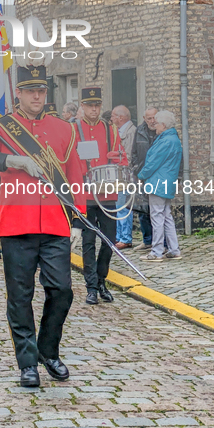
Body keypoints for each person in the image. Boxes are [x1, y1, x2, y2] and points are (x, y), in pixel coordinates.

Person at [0, 65, 86, 388]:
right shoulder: (3, 129)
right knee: (20, 297)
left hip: (56, 224)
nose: (37, 96)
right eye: (30, 90)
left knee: (62, 290)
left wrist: (76, 221)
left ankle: (48, 350)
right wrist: (11, 161)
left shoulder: (64, 130)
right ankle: (27, 362)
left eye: (42, 90)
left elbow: (75, 177)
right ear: (18, 93)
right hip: (16, 225)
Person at [75, 87, 127, 306]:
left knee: (108, 241)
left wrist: (117, 159)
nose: (94, 109)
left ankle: (102, 279)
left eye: (97, 105)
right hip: (86, 194)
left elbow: (121, 157)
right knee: (88, 242)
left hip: (107, 192)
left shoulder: (110, 129)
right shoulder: (74, 129)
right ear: (83, 106)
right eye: (90, 105)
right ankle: (91, 286)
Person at [138, 110, 183, 261]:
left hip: (158, 183)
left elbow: (152, 163)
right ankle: (174, 249)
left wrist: (141, 175)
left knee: (157, 217)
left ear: (163, 125)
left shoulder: (165, 141)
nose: (154, 125)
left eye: (157, 123)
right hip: (167, 182)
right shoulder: (173, 139)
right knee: (166, 216)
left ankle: (156, 251)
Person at [131, 108, 158, 251]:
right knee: (143, 210)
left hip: (157, 176)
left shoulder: (161, 131)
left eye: (154, 118)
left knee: (157, 210)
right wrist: (136, 168)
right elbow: (134, 151)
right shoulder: (139, 130)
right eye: (149, 118)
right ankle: (147, 240)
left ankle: (160, 242)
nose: (152, 121)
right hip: (142, 175)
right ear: (144, 118)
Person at [110, 105, 137, 250]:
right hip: (118, 175)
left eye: (114, 115)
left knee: (123, 206)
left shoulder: (131, 132)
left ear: (121, 117)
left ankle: (125, 238)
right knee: (118, 205)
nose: (112, 118)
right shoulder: (119, 131)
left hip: (125, 175)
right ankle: (120, 236)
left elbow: (128, 154)